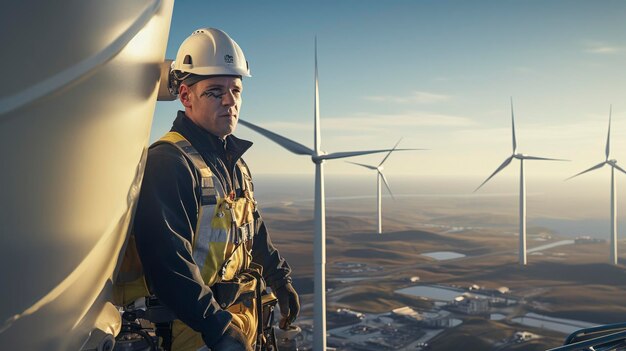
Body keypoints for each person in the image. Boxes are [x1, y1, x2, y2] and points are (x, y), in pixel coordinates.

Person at [115, 28, 299, 351]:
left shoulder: (234, 165)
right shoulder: (170, 163)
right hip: (190, 336)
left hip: (232, 329)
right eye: (215, 91)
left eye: (236, 90)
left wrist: (279, 278)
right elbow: (168, 265)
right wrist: (218, 328)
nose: (230, 101)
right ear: (185, 96)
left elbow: (251, 229)